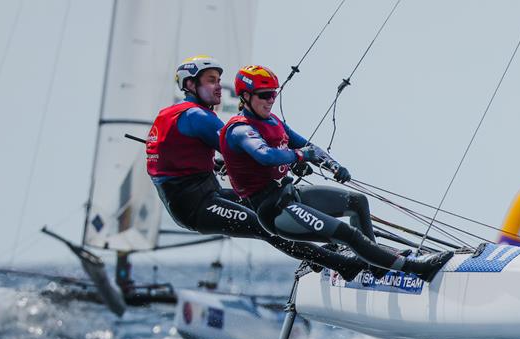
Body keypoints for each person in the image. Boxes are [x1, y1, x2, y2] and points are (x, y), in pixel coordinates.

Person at [219, 65, 453, 282]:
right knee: (346, 234)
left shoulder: (273, 121)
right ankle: (418, 270)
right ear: (246, 96)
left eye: (274, 94)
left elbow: (308, 146)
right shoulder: (240, 129)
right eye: (264, 95)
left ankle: (376, 265)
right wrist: (299, 156)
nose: (270, 100)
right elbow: (266, 156)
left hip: (290, 194)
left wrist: (333, 165)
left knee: (357, 202)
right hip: (274, 211)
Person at [146, 55, 371, 280]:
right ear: (190, 85)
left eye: (218, 80)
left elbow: (178, 159)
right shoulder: (198, 116)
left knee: (269, 208)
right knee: (265, 226)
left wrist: (218, 163)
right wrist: (292, 159)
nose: (218, 87)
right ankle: (343, 265)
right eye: (211, 80)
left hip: (201, 194)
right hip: (196, 207)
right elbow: (244, 152)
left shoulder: (174, 113)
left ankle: (320, 256)